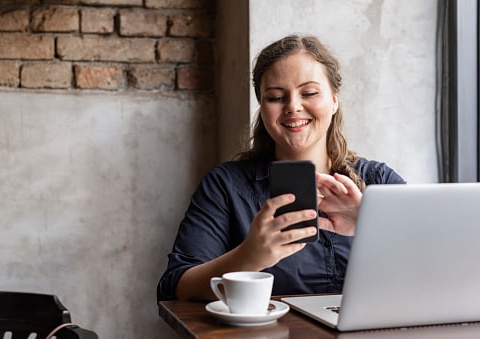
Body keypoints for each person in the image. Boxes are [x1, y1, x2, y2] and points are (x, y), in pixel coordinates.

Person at [157, 35, 405, 301]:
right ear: (262, 107)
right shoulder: (226, 185)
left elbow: (441, 262)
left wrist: (371, 225)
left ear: (334, 100)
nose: (293, 107)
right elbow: (174, 288)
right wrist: (249, 256)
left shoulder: (378, 181)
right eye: (275, 97)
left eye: (309, 93)